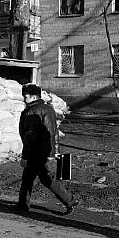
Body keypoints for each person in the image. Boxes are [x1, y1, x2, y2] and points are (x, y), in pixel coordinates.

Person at [16, 83, 79, 215]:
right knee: (35, 178)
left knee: (41, 179)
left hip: (35, 152)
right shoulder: (48, 109)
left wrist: (25, 157)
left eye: (25, 96)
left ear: (33, 97)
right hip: (44, 150)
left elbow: (30, 137)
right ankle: (23, 204)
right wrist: (54, 150)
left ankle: (69, 201)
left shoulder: (31, 112)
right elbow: (53, 131)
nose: (24, 99)